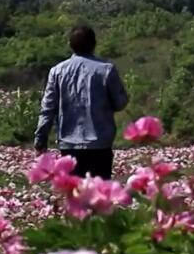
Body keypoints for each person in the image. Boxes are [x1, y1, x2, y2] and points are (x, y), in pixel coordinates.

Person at [34, 25, 129, 179]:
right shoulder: (107, 70)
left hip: (69, 145)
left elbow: (48, 109)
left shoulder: (57, 71)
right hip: (100, 145)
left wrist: (40, 139)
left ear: (70, 45)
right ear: (94, 43)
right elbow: (120, 103)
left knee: (75, 196)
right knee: (99, 196)